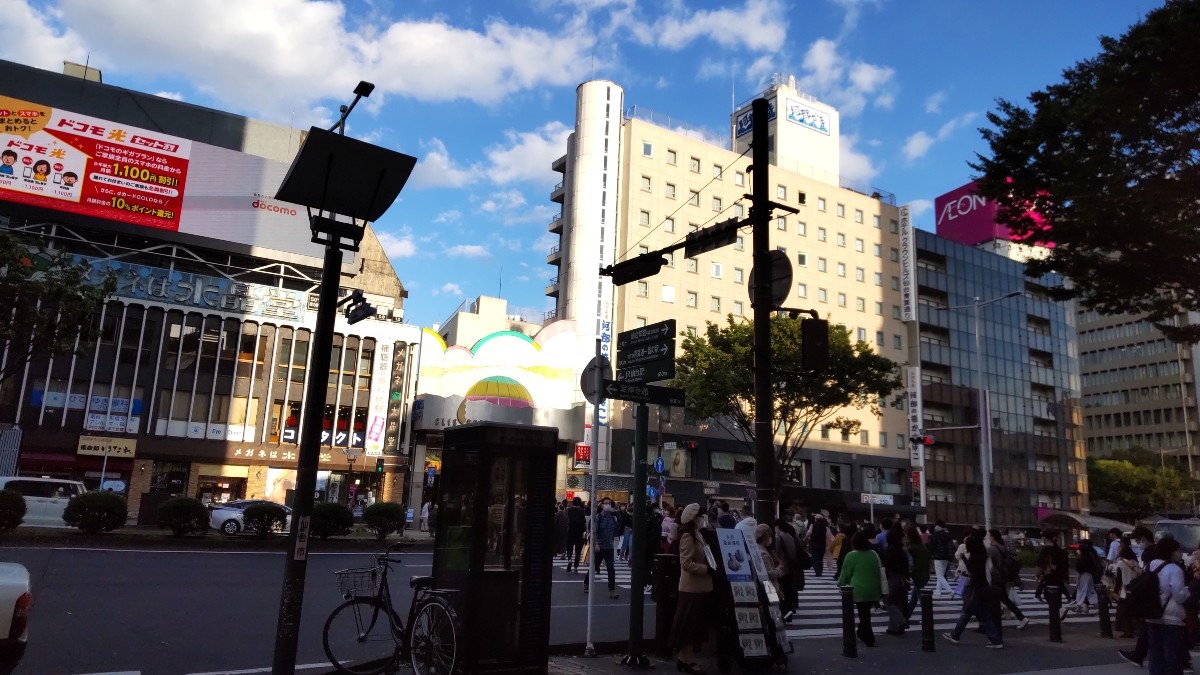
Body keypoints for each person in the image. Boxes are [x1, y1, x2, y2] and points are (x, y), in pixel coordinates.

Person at [669, 503, 712, 675]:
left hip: (700, 587)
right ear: (694, 519)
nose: (703, 519)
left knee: (693, 626)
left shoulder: (698, 535)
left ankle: (683, 657)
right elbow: (685, 563)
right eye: (701, 516)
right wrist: (706, 569)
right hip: (691, 587)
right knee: (688, 626)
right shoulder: (688, 536)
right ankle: (688, 659)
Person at [943, 531, 1003, 648]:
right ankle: (995, 640)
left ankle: (955, 635)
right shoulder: (982, 552)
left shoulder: (975, 556)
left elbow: (971, 569)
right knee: (981, 613)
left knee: (968, 611)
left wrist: (964, 559)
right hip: (982, 585)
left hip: (976, 587)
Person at [1143, 538, 1190, 675]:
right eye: (1178, 550)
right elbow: (1179, 595)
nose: (1180, 553)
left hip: (1152, 613)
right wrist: (1187, 591)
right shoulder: (1174, 569)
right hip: (1171, 616)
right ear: (1171, 551)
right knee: (1172, 654)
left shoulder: (1151, 565)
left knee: (1155, 653)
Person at [837, 530, 884, 647]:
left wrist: (841, 584)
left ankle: (868, 637)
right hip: (873, 588)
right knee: (866, 613)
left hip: (858, 589)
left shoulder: (851, 555)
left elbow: (845, 574)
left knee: (863, 614)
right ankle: (863, 634)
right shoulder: (873, 554)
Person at [988, 528, 1029, 629]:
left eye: (989, 536)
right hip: (1003, 576)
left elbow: (989, 565)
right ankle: (1021, 617)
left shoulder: (992, 549)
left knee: (994, 599)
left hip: (995, 577)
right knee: (1003, 599)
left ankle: (993, 621)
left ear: (992, 537)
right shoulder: (1002, 547)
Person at [583, 497, 620, 599]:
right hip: (599, 547)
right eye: (605, 503)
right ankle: (586, 583)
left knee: (611, 568)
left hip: (609, 547)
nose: (607, 505)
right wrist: (596, 544)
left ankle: (612, 590)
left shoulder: (613, 518)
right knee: (594, 567)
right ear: (602, 505)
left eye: (609, 503)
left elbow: (615, 531)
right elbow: (594, 532)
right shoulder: (598, 517)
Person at [881, 527, 910, 635]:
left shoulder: (889, 550)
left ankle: (900, 621)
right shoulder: (901, 551)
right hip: (902, 578)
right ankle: (894, 628)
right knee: (898, 602)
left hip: (893, 577)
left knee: (888, 601)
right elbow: (906, 566)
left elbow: (886, 566)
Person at [774, 520, 802, 622]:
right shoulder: (790, 536)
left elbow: (776, 552)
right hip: (791, 567)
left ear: (778, 526)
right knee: (788, 591)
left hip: (782, 568)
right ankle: (789, 611)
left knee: (782, 592)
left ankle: (785, 613)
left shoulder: (779, 537)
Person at [1113, 544, 1141, 638]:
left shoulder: (1121, 564)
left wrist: (1115, 591)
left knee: (1123, 612)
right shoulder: (1135, 563)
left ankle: (1127, 631)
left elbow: (1118, 579)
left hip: (1124, 590)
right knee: (1133, 611)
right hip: (1135, 589)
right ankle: (1135, 630)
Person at [1067, 538, 1101, 615]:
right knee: (1090, 591)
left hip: (1083, 575)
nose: (1077, 551)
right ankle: (1098, 605)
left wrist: (1077, 579)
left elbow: (1079, 570)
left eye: (1078, 549)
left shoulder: (1081, 559)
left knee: (1081, 590)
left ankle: (1079, 606)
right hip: (1090, 575)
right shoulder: (1090, 555)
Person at [905, 524, 931, 623]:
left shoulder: (911, 548)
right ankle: (907, 615)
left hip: (917, 574)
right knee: (915, 597)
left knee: (921, 598)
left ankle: (927, 618)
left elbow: (910, 563)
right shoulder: (922, 547)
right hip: (924, 573)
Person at [930, 520, 956, 599]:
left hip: (938, 557)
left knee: (939, 575)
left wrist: (930, 554)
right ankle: (938, 592)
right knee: (941, 575)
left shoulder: (935, 535)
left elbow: (932, 546)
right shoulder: (947, 535)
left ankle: (950, 591)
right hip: (946, 557)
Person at [807, 511, 831, 577]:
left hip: (814, 543)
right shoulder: (825, 527)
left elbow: (809, 533)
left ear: (816, 519)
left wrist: (805, 538)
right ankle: (820, 570)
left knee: (815, 558)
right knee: (820, 558)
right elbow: (828, 536)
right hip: (822, 544)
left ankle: (817, 571)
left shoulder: (813, 525)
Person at [565, 496, 587, 572]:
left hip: (570, 532)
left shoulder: (568, 510)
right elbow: (583, 523)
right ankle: (575, 567)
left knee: (569, 548)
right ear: (580, 503)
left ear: (573, 502)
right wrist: (584, 532)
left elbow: (566, 521)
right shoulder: (582, 511)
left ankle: (569, 559)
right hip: (579, 533)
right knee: (578, 551)